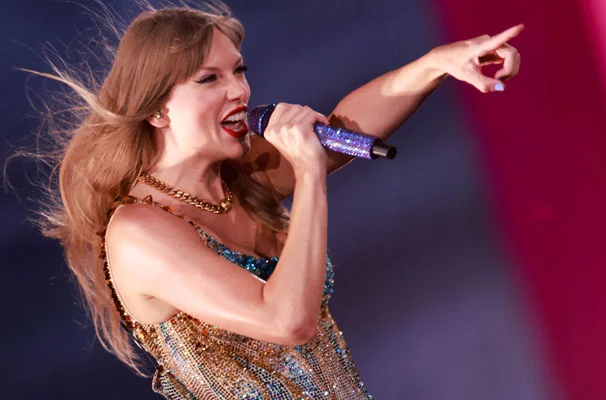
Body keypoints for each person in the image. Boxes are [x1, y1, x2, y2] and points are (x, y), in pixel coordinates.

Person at [31, 2, 522, 399]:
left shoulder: (239, 179)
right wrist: (309, 172)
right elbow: (285, 320)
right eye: (211, 79)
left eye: (239, 72)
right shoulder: (139, 232)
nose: (240, 90)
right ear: (158, 110)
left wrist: (436, 63)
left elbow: (344, 125)